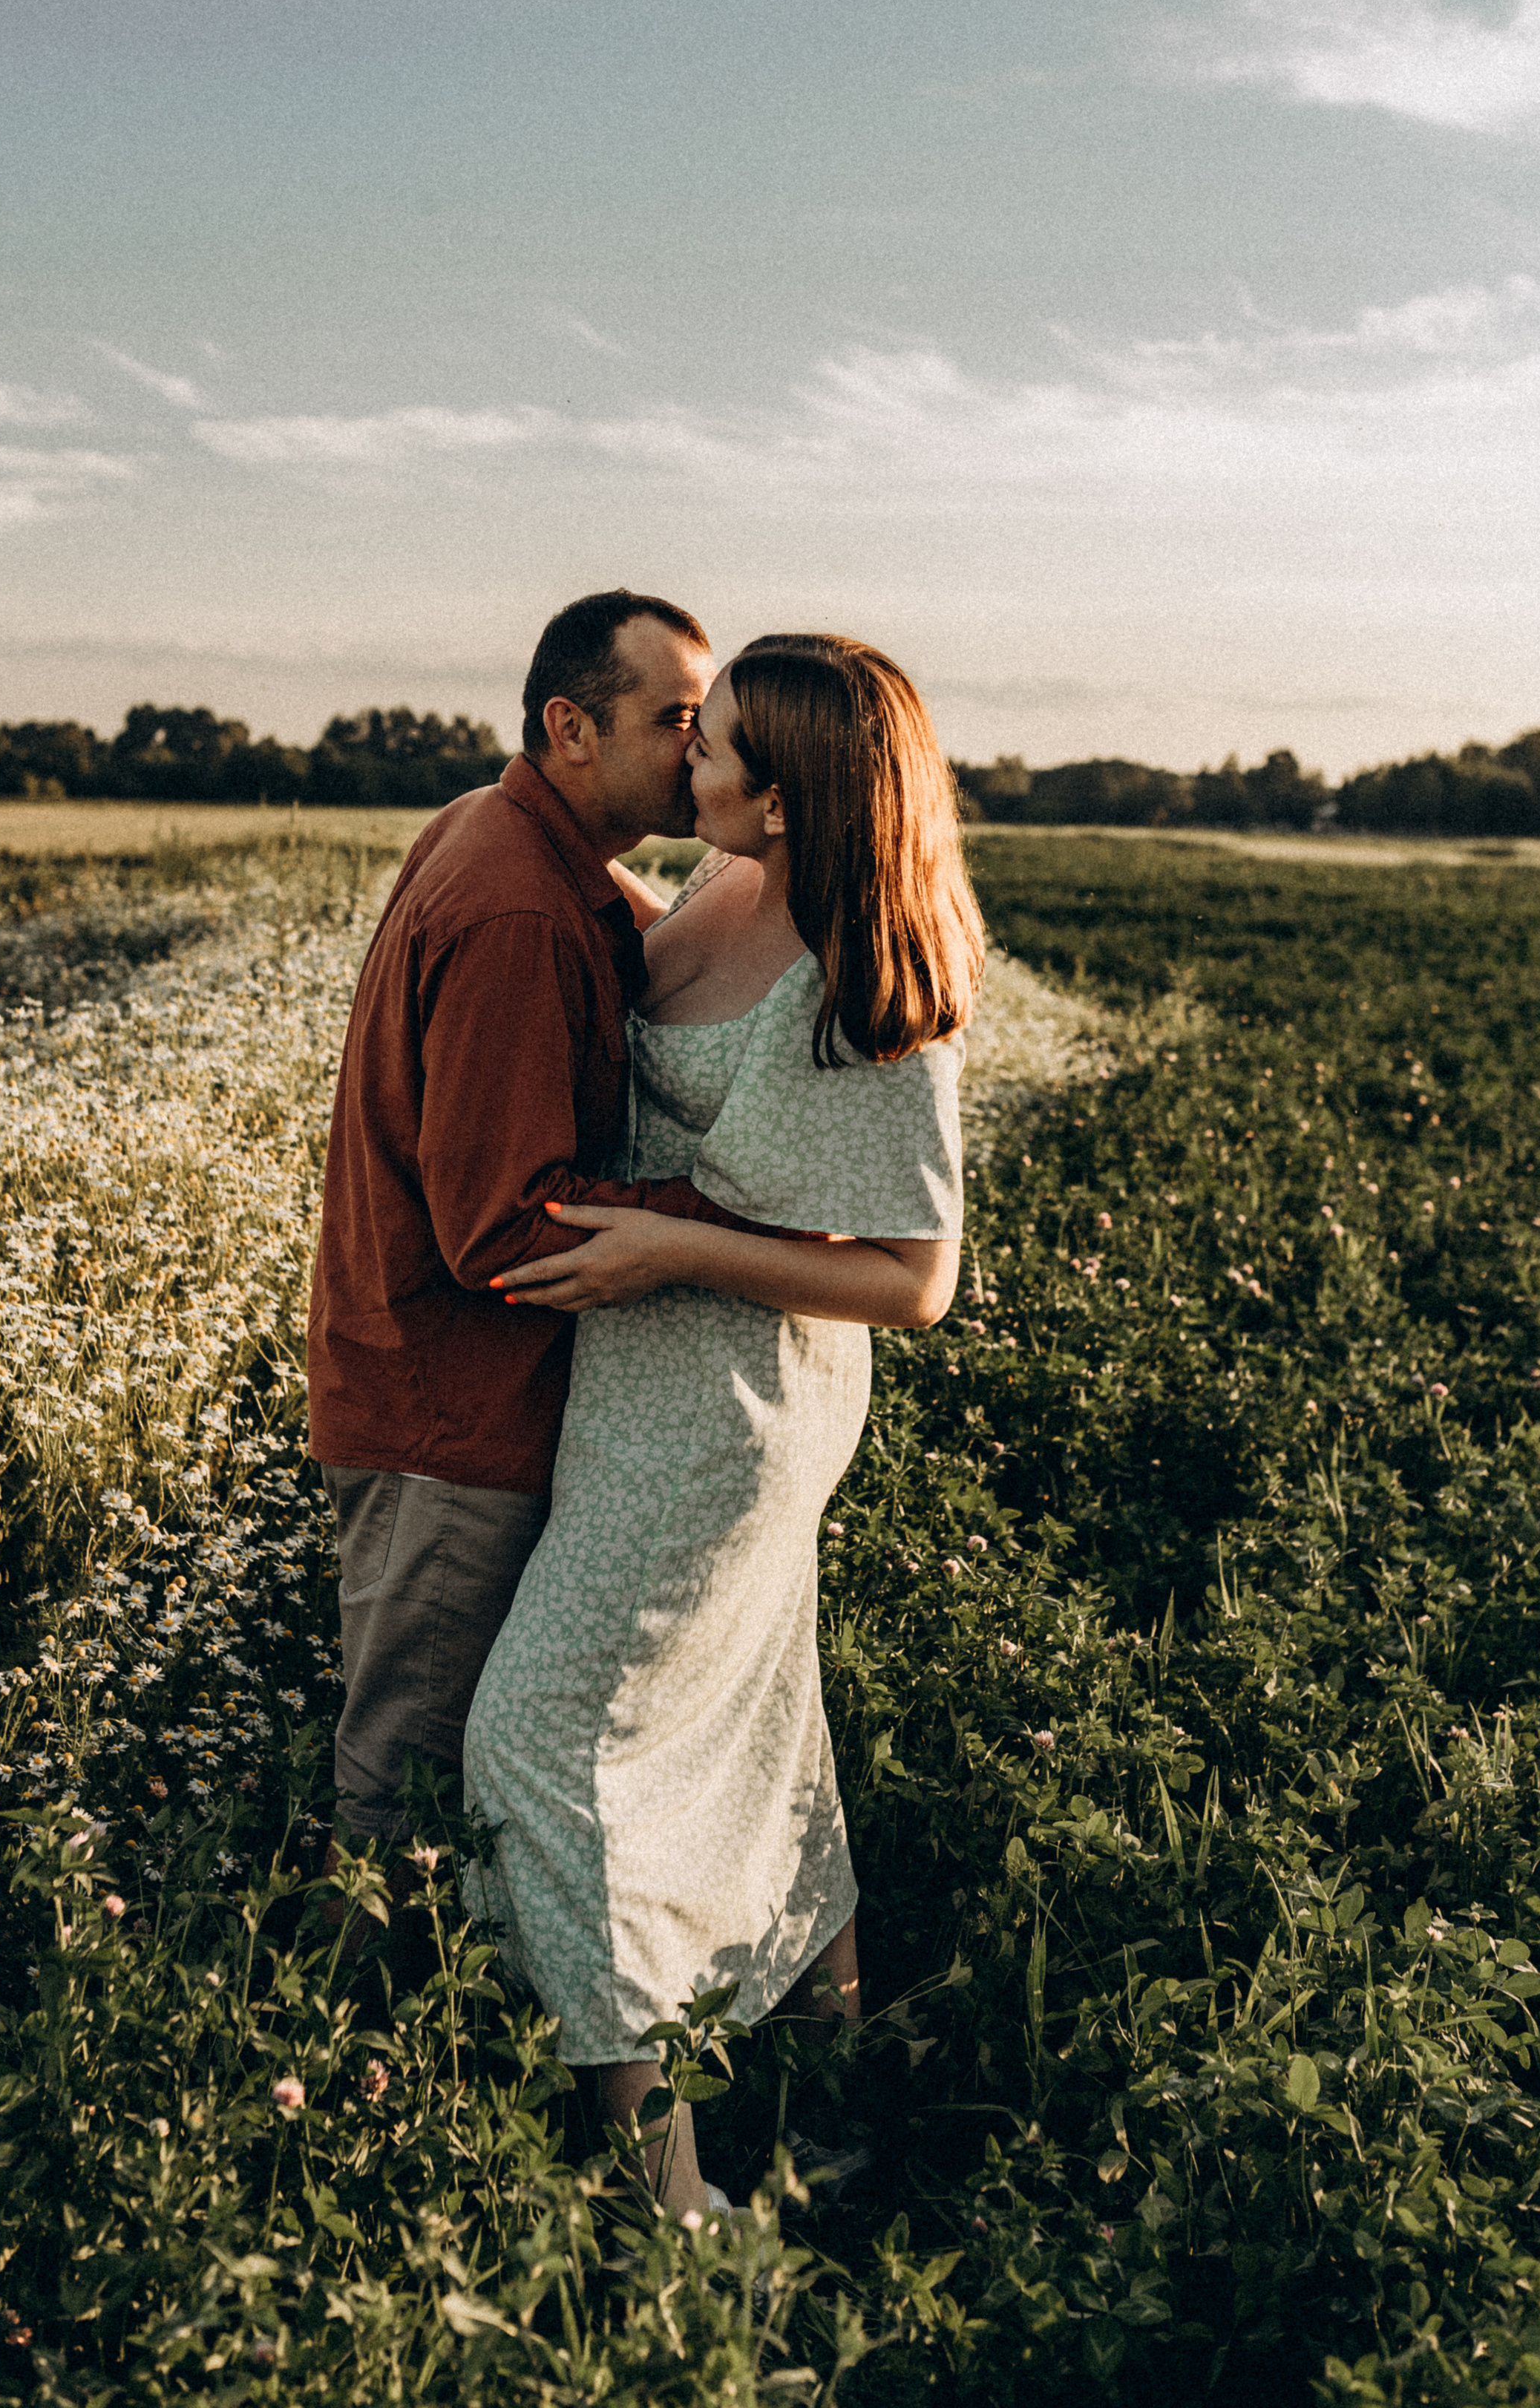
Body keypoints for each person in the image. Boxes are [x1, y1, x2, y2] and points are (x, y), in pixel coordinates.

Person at [465, 632, 983, 2216]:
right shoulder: (712, 888)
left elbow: (915, 1279)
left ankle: (666, 2199)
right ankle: (828, 2103)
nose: (685, 756)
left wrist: (676, 1249)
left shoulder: (855, 955)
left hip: (733, 1406)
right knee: (758, 1715)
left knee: (537, 1744)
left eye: (716, 743)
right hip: (650, 1385)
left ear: (785, 788)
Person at [309, 589, 782, 1863]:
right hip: (450, 1414)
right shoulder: (516, 906)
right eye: (675, 717)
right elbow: (504, 1233)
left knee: (448, 1759)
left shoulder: (506, 835)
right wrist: (735, 1220)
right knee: (409, 1781)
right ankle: (353, 2049)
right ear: (572, 729)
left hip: (431, 1389)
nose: (697, 748)